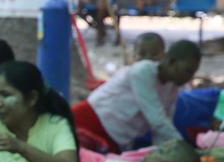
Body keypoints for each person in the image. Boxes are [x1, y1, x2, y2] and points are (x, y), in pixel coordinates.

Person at [72, 40, 201, 153]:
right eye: (187, 71)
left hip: (117, 141)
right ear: (171, 62)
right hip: (88, 122)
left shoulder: (172, 87)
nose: (189, 77)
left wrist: (165, 153)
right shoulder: (143, 72)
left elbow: (163, 129)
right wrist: (186, 150)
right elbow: (157, 120)